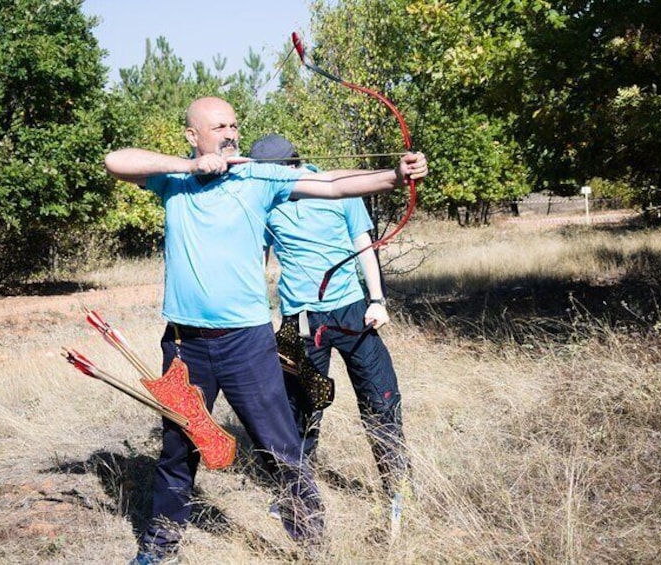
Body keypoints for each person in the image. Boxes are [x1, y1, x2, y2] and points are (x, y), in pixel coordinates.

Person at [104, 97, 427, 564]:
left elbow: (333, 185)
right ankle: (160, 546)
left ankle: (314, 545)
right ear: (193, 134)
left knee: (281, 446)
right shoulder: (172, 180)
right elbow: (115, 160)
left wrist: (396, 176)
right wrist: (192, 164)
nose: (230, 133)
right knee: (179, 447)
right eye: (218, 126)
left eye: (234, 125)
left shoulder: (258, 177)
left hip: (247, 342)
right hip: (183, 343)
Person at [252, 134, 412, 537]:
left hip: (352, 310)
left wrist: (377, 299)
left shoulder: (336, 187)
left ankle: (398, 488)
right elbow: (258, 257)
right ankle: (295, 492)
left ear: (288, 164)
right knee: (302, 406)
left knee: (380, 397)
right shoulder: (267, 198)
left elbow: (364, 245)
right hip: (299, 317)